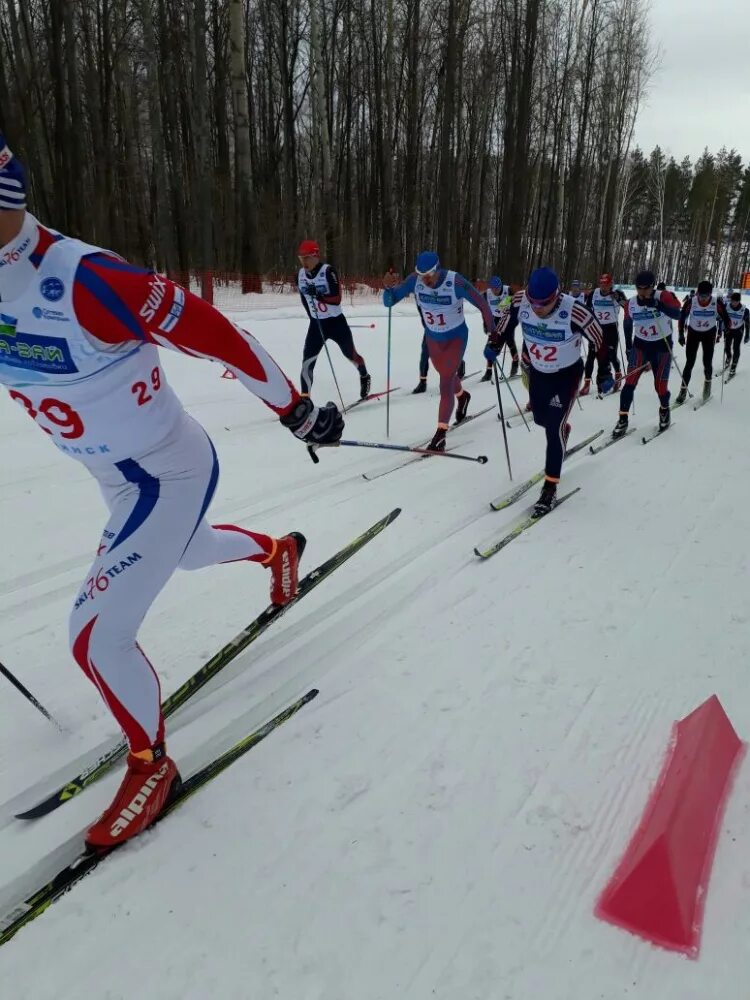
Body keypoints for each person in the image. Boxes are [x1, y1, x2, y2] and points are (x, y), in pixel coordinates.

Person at [0, 135, 344, 849]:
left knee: (95, 636)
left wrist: (296, 410)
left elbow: (222, 336)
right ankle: (277, 552)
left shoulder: (87, 282)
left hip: (168, 472)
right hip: (116, 480)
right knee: (184, 556)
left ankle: (151, 766)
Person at [489, 267, 606, 515]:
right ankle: (563, 427)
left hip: (566, 375)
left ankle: (550, 487)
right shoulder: (520, 299)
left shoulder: (574, 310)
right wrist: (495, 342)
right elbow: (504, 320)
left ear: (557, 295)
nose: (537, 308)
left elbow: (600, 339)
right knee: (541, 418)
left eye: (544, 303)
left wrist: (604, 372)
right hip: (539, 373)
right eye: (534, 302)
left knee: (553, 429)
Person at [382, 251, 494, 451]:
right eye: (421, 274)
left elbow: (482, 303)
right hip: (433, 339)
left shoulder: (455, 282)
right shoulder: (414, 280)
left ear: (438, 268)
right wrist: (387, 287)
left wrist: (492, 329)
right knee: (446, 376)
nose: (425, 280)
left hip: (456, 338)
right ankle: (462, 396)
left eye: (429, 275)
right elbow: (389, 301)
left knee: (445, 382)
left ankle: (441, 433)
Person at [612, 270, 682, 438]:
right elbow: (628, 325)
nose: (642, 292)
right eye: (639, 288)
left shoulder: (663, 296)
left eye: (646, 288)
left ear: (652, 286)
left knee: (660, 386)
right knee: (629, 382)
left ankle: (664, 411)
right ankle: (622, 419)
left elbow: (678, 314)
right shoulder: (632, 303)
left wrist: (659, 306)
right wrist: (629, 347)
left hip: (662, 346)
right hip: (641, 346)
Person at [297, 239, 370, 399]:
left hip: (336, 323)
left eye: (307, 258)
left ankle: (364, 374)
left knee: (350, 354)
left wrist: (318, 295)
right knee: (307, 361)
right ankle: (305, 399)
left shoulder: (328, 271)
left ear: (315, 256)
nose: (304, 262)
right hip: (316, 324)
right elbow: (303, 297)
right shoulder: (301, 275)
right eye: (301, 258)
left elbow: (336, 299)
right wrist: (312, 316)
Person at [675, 280, 730, 403]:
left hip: (709, 334)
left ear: (711, 294)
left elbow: (726, 317)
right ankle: (683, 391)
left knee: (707, 362)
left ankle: (707, 386)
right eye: (701, 295)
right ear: (698, 293)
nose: (703, 299)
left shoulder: (716, 302)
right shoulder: (691, 301)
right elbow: (682, 316)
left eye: (706, 296)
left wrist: (727, 329)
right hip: (693, 333)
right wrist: (680, 334)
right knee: (689, 363)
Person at [581, 273, 627, 395]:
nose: (603, 287)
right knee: (591, 355)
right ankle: (586, 384)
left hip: (611, 328)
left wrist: (617, 298)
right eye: (601, 284)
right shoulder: (594, 293)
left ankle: (618, 374)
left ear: (611, 284)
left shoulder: (617, 293)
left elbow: (627, 307)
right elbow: (587, 308)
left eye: (606, 284)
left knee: (611, 354)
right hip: (596, 328)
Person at [480, 275, 517, 382]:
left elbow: (515, 304)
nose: (495, 291)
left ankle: (515, 363)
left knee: (510, 341)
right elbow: (484, 310)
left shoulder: (508, 290)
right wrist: (485, 324)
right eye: (493, 288)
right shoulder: (487, 294)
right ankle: (488, 371)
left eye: (497, 288)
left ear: (501, 286)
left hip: (507, 318)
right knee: (491, 344)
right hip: (495, 319)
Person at [723, 290, 750, 376]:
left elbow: (747, 323)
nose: (734, 303)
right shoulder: (726, 306)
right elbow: (723, 318)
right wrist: (724, 328)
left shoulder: (745, 310)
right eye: (732, 301)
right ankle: (728, 358)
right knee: (727, 346)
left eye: (736, 301)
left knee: (736, 347)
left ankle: (733, 366)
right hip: (729, 330)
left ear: (739, 301)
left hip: (739, 330)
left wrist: (747, 335)